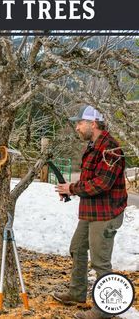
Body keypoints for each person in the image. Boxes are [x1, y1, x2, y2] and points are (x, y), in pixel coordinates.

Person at [54, 105, 127, 319]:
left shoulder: (110, 148)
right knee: (77, 248)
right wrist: (70, 189)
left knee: (100, 261)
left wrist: (73, 189)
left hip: (106, 214)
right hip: (90, 212)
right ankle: (77, 293)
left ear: (92, 124)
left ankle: (104, 309)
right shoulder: (93, 145)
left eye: (79, 123)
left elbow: (102, 184)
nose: (76, 127)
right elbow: (89, 180)